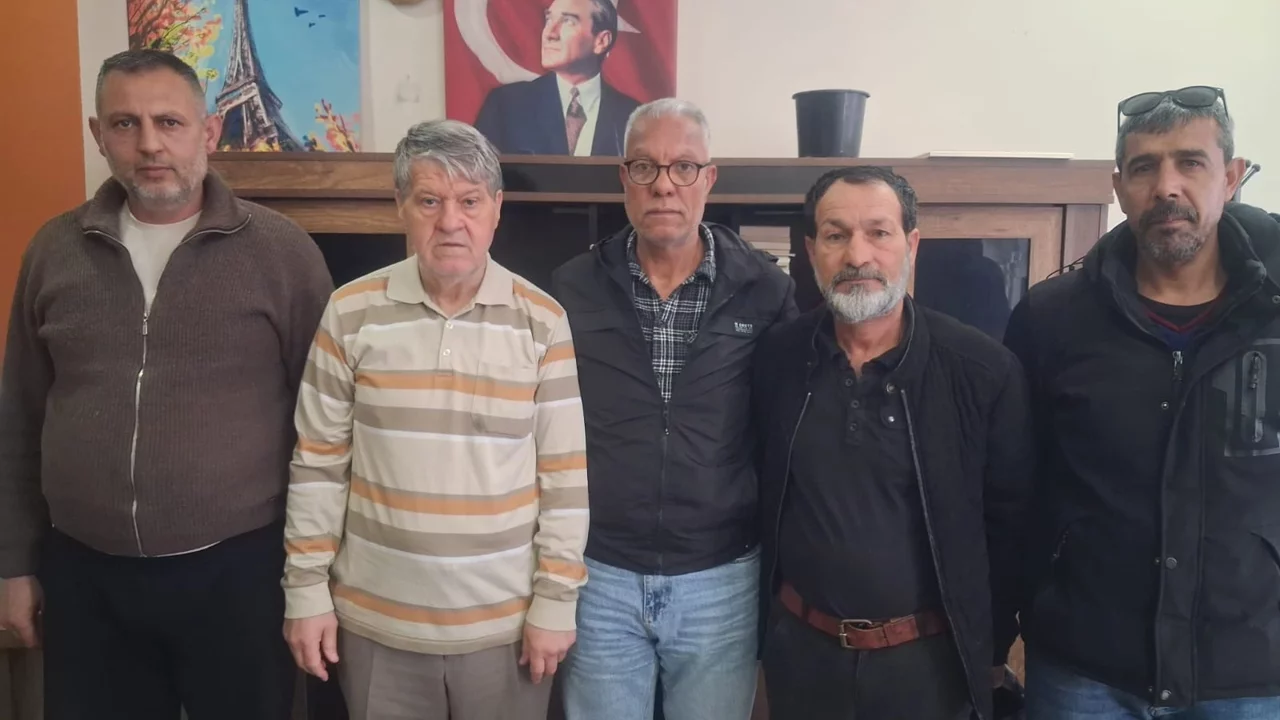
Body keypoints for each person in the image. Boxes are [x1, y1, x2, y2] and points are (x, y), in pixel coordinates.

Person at [0, 48, 333, 719]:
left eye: (169, 122)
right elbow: (19, 415)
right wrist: (14, 563)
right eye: (125, 123)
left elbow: (327, 427)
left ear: (208, 131)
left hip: (241, 576)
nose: (150, 144)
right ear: (98, 134)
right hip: (86, 576)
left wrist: (316, 577)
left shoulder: (282, 252)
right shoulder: (53, 250)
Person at [281, 118, 590, 720]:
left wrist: (556, 601)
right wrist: (306, 589)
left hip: (505, 629)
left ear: (496, 209)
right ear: (401, 205)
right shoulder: (349, 312)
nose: (451, 221)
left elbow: (564, 479)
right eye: (430, 201)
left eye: (469, 201)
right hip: (376, 624)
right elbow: (317, 465)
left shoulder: (543, 322)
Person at [1006, 87, 1280, 718]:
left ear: (1231, 177)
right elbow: (1016, 485)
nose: (1166, 187)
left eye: (1191, 163)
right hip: (1084, 670)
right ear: (1118, 187)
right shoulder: (1051, 319)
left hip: (1250, 674)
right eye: (1144, 167)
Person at [753, 166, 1034, 720]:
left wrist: (991, 650)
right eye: (836, 235)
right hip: (802, 658)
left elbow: (1013, 528)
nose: (857, 255)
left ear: (911, 244)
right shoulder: (776, 359)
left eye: (878, 233)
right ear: (812, 251)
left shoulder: (983, 372)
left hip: (928, 668)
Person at [550, 98, 797, 720]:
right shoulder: (571, 287)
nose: (664, 184)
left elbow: (788, 431)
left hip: (721, 578)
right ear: (624, 179)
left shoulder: (767, 290)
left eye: (684, 167)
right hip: (600, 575)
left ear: (708, 179)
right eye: (645, 166)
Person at [474, 0, 640, 156]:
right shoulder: (505, 106)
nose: (549, 34)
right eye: (548, 20)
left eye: (568, 21)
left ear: (601, 41)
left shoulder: (634, 118)